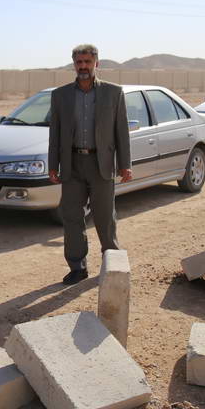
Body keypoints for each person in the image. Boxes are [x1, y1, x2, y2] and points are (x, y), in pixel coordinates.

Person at [47, 44, 132, 286]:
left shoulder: (113, 93)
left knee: (105, 218)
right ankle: (77, 267)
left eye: (87, 62)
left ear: (96, 63)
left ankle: (111, 265)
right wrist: (53, 165)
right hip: (72, 164)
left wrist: (125, 164)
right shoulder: (60, 95)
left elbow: (121, 131)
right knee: (72, 217)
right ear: (74, 64)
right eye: (79, 62)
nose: (83, 66)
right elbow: (55, 133)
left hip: (100, 164)